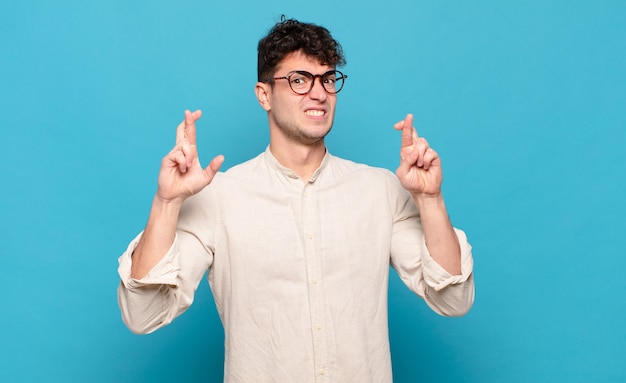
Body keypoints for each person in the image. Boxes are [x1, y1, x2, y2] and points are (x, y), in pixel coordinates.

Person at [117, 17, 474, 383]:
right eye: (299, 80)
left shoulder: (380, 190)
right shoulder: (220, 197)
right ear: (264, 94)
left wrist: (430, 199)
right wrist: (166, 203)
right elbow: (143, 314)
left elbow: (452, 299)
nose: (318, 93)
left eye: (327, 79)